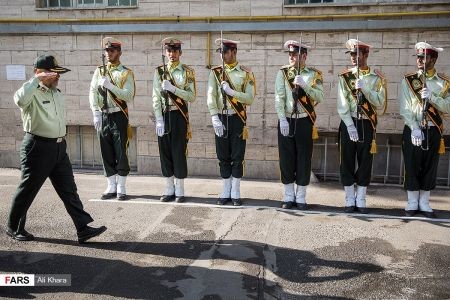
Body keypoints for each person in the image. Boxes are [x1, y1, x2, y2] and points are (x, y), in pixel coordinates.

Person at [6, 54, 107, 243]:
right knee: (28, 189)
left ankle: (83, 228)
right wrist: (36, 79)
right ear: (40, 73)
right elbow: (19, 100)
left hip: (59, 147)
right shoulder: (31, 92)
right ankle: (13, 226)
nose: (58, 76)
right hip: (37, 147)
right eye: (54, 73)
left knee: (69, 189)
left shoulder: (56, 93)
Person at [399, 42, 449, 218]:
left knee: (429, 165)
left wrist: (433, 97)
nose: (419, 60)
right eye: (418, 56)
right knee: (412, 165)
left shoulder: (444, 83)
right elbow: (404, 107)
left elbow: (448, 108)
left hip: (433, 129)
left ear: (433, 59)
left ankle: (424, 202)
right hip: (413, 129)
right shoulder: (409, 80)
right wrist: (413, 128)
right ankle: (412, 201)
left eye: (424, 57)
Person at [337, 39, 387, 213]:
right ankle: (349, 197)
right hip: (349, 122)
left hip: (366, 123)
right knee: (347, 161)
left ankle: (361, 197)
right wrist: (349, 125)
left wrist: (365, 89)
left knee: (365, 161)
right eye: (351, 54)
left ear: (366, 55)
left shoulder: (376, 77)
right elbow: (342, 103)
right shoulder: (345, 77)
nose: (353, 57)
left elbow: (380, 103)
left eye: (356, 54)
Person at [207, 38, 256, 206]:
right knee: (223, 155)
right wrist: (214, 116)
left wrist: (231, 92)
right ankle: (225, 189)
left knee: (237, 155)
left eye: (225, 52)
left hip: (237, 117)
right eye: (221, 52)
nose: (222, 55)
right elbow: (211, 96)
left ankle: (235, 190)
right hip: (221, 116)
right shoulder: (216, 72)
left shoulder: (245, 73)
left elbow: (249, 98)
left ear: (234, 52)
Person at [275, 40, 324, 210]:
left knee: (303, 158)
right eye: (290, 54)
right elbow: (279, 97)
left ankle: (301, 196)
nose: (291, 57)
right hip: (287, 119)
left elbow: (320, 97)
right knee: (286, 158)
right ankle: (289, 195)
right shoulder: (283, 73)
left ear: (304, 56)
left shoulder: (314, 75)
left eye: (294, 54)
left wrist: (305, 85)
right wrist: (282, 118)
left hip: (304, 120)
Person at [89, 37, 135, 201]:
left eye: (112, 51)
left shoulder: (125, 72)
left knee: (121, 152)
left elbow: (129, 95)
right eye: (107, 51)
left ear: (119, 52)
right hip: (103, 115)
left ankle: (121, 186)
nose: (109, 53)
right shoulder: (99, 71)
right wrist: (95, 112)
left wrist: (110, 86)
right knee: (105, 150)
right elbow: (93, 92)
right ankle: (111, 185)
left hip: (119, 115)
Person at [152, 37, 196, 203]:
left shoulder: (187, 72)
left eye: (175, 50)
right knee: (165, 152)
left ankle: (180, 189)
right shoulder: (159, 72)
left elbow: (191, 96)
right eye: (169, 51)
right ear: (165, 52)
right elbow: (155, 96)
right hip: (164, 115)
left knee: (179, 152)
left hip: (179, 115)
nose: (172, 54)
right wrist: (158, 119)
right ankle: (169, 187)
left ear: (180, 52)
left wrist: (173, 89)